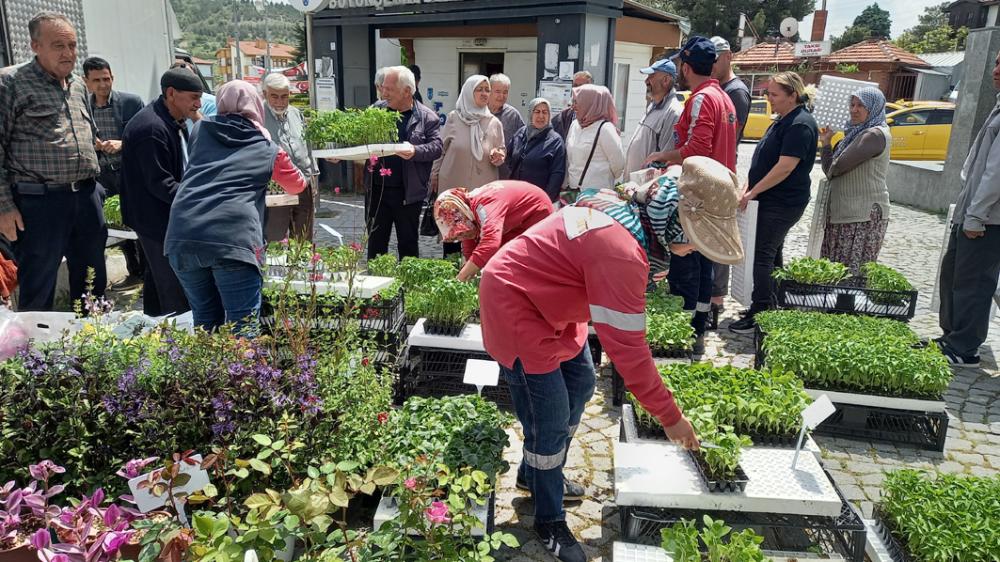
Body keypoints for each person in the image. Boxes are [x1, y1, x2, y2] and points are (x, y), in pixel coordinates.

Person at [478, 158, 743, 562]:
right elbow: (629, 354)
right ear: (674, 220)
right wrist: (671, 417)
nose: (692, 250)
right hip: (516, 302)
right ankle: (547, 519)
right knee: (548, 417)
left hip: (554, 301)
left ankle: (535, 473)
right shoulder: (621, 252)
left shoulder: (634, 213)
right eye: (693, 237)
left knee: (582, 383)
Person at [164, 80, 307, 336]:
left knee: (206, 322)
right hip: (233, 239)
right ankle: (239, 377)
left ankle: (209, 375)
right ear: (256, 106)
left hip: (184, 234)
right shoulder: (266, 147)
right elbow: (296, 185)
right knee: (243, 329)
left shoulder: (201, 131)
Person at [0, 12, 106, 311]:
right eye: (58, 45)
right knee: (39, 285)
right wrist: (4, 207)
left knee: (92, 281)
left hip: (85, 197)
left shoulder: (76, 86)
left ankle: (91, 350)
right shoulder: (11, 83)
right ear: (35, 46)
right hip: (39, 204)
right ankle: (38, 355)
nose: (68, 53)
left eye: (72, 45)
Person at [644, 36, 739, 347]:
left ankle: (683, 331)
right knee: (701, 262)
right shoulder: (722, 96)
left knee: (685, 262)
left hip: (698, 195)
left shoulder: (701, 98)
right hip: (715, 192)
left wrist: (663, 157)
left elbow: (697, 148)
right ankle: (697, 325)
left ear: (685, 67)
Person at [729, 72, 818, 334]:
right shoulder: (784, 120)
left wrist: (753, 191)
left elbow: (785, 167)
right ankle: (773, 306)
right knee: (773, 253)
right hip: (771, 199)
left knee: (762, 255)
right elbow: (764, 160)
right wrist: (748, 185)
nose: (769, 99)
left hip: (783, 201)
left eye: (775, 94)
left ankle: (761, 311)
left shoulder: (800, 124)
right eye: (768, 93)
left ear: (793, 96)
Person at [121, 68, 203, 316]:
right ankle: (178, 339)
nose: (198, 104)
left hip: (167, 215)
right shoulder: (151, 129)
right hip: (155, 219)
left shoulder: (172, 120)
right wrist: (200, 202)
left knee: (158, 279)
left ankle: (155, 327)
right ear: (170, 94)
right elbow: (161, 183)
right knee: (172, 283)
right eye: (193, 98)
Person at [936, 49, 1000, 367]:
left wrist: (976, 215)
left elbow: (995, 174)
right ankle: (952, 336)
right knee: (954, 276)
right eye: (998, 62)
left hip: (987, 219)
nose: (997, 70)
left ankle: (965, 348)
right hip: (971, 211)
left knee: (973, 284)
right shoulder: (998, 108)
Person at [365, 66, 443, 259]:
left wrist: (415, 151)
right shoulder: (376, 111)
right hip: (377, 190)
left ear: (407, 91)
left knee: (408, 244)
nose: (384, 93)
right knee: (375, 243)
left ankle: (406, 288)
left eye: (389, 89)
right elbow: (359, 139)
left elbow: (437, 147)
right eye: (383, 88)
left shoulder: (426, 117)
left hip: (408, 194)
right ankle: (376, 287)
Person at [83, 56, 145, 285]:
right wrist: (95, 145)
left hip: (128, 170)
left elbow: (146, 135)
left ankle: (148, 271)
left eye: (107, 79)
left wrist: (122, 144)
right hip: (101, 174)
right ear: (86, 82)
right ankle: (133, 268)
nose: (103, 85)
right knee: (113, 223)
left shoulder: (131, 102)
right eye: (97, 80)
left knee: (137, 219)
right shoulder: (83, 107)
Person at [818, 87, 891, 274]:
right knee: (836, 272)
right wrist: (826, 143)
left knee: (849, 274)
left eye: (861, 105)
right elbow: (832, 168)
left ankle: (845, 305)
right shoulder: (857, 133)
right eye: (852, 104)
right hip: (847, 213)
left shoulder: (873, 135)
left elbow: (835, 168)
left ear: (874, 107)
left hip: (861, 216)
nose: (854, 110)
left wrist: (826, 147)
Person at [431, 74, 505, 255]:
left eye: (487, 90)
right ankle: (451, 275)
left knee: (479, 236)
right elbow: (440, 150)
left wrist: (499, 155)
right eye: (479, 89)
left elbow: (501, 150)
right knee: (452, 235)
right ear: (468, 92)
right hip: (453, 185)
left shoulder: (493, 122)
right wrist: (434, 175)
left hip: (482, 188)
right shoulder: (454, 118)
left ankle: (474, 276)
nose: (484, 93)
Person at [433, 181, 553, 281]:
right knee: (497, 261)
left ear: (462, 212)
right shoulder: (470, 209)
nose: (462, 234)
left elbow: (490, 242)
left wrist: (460, 278)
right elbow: (469, 238)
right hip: (515, 220)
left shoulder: (484, 206)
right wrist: (468, 269)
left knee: (513, 262)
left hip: (536, 213)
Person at [709, 36, 752, 314]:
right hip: (712, 170)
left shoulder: (735, 92)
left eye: (717, 57)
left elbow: (728, 138)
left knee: (719, 235)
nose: (713, 63)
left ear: (729, 57)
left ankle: (716, 297)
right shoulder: (719, 89)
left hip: (722, 171)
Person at [261, 72, 320, 242]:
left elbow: (307, 145)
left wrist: (314, 177)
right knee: (275, 239)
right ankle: (277, 269)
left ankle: (302, 267)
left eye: (284, 96)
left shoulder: (296, 113)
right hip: (276, 188)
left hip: (304, 184)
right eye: (275, 96)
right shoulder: (259, 116)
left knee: (303, 238)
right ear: (265, 94)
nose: (280, 102)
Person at [624, 58, 683, 177]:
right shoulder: (653, 105)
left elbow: (665, 159)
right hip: (633, 184)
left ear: (666, 80)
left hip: (646, 188)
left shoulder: (673, 112)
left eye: (651, 76)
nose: (646, 81)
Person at [564, 85, 624, 199]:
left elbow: (618, 166)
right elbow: (569, 159)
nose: (573, 106)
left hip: (598, 197)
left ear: (590, 103)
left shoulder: (605, 129)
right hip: (573, 193)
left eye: (577, 102)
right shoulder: (575, 125)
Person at [506, 97, 566, 201]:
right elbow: (509, 157)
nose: (541, 116)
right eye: (537, 112)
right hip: (516, 195)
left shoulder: (555, 141)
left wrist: (545, 201)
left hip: (537, 200)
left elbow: (557, 176)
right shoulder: (521, 133)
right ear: (530, 114)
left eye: (545, 112)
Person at [487, 73, 525, 179]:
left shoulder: (513, 115)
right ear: (489, 91)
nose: (501, 96)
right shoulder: (479, 113)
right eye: (498, 92)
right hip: (481, 172)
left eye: (505, 92)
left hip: (504, 174)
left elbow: (523, 142)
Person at [552, 71, 593, 140]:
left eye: (582, 86)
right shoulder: (564, 116)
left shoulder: (599, 117)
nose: (577, 89)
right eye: (575, 86)